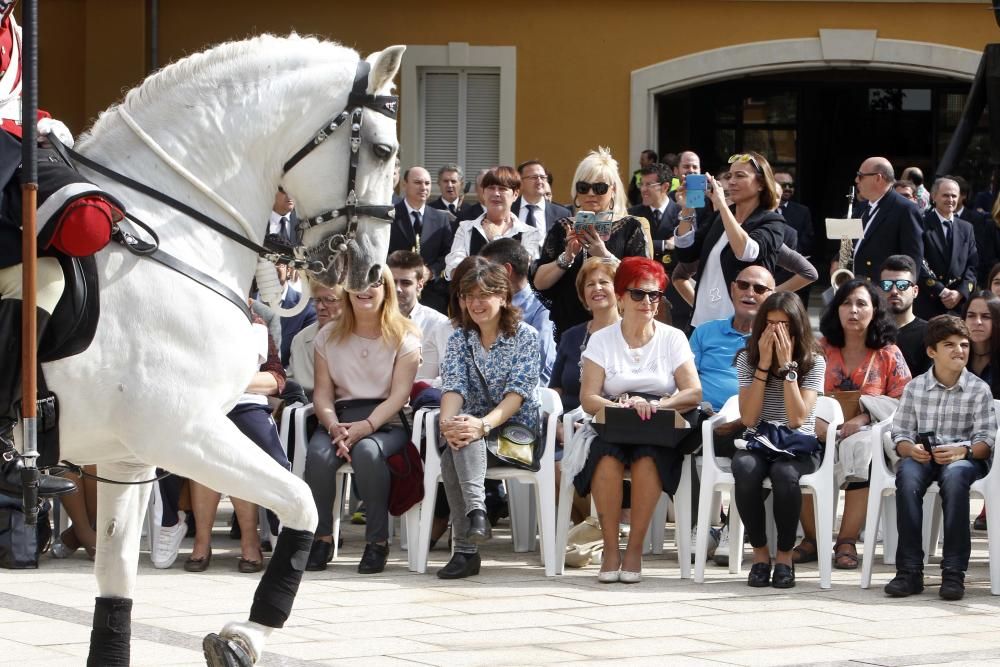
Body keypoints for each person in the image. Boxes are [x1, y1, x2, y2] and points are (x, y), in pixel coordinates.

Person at [0, 6, 123, 498]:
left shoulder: (14, 24)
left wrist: (38, 121)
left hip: (10, 146)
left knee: (48, 276)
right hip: (7, 149)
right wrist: (27, 126)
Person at [575, 257, 702, 583]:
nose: (647, 302)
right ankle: (610, 549)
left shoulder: (673, 338)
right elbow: (588, 398)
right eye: (638, 294)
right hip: (615, 423)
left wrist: (658, 404)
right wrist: (622, 406)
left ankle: (633, 551)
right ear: (620, 297)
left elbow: (693, 392)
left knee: (648, 458)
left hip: (658, 428)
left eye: (654, 295)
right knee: (606, 458)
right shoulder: (602, 339)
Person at [304, 267, 421, 573]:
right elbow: (322, 395)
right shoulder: (328, 335)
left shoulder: (405, 335)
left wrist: (365, 428)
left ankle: (377, 542)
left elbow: (399, 396)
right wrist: (333, 427)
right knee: (317, 456)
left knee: (368, 453)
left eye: (374, 282)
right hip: (339, 419)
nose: (364, 289)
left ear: (386, 289)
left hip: (387, 421)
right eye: (357, 282)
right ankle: (322, 538)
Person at [794, 278, 910, 570]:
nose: (853, 310)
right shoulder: (819, 349)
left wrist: (863, 418)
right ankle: (812, 540)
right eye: (846, 303)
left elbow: (904, 402)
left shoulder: (889, 353)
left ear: (875, 311)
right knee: (799, 452)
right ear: (836, 309)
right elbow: (799, 391)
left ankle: (846, 541)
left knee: (867, 452)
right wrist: (816, 420)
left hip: (867, 435)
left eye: (861, 304)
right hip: (820, 430)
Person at [437, 258, 540, 579]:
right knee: (458, 439)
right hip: (475, 430)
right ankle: (477, 514)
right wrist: (447, 422)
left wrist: (482, 425)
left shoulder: (526, 336)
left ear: (504, 298)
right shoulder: (460, 339)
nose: (475, 303)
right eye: (468, 296)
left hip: (518, 436)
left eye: (484, 295)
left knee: (462, 442)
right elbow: (453, 386)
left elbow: (517, 393)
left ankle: (466, 548)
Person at [886, 315, 996, 601]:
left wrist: (964, 451)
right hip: (923, 458)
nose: (960, 350)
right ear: (931, 351)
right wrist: (911, 449)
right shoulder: (915, 388)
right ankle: (909, 571)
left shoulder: (978, 389)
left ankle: (954, 572)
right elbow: (900, 434)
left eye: (964, 344)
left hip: (965, 460)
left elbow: (986, 442)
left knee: (955, 475)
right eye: (950, 345)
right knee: (907, 475)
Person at [732, 291, 826, 589]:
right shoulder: (748, 358)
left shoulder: (814, 362)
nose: (776, 332)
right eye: (770, 324)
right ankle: (760, 554)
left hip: (797, 446)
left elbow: (798, 418)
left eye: (783, 325)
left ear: (797, 327)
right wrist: (763, 367)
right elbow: (748, 418)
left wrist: (788, 370)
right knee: (744, 469)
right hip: (759, 440)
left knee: (785, 475)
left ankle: (784, 556)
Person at [183, 312, 290, 573]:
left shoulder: (256, 321)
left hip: (246, 404)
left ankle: (250, 540)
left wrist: (228, 384)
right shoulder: (197, 313)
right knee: (203, 453)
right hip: (205, 404)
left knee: (240, 451)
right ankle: (201, 542)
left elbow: (275, 378)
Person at [532, 147, 650, 340]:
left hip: (618, 329)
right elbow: (540, 283)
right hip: (571, 328)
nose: (591, 193)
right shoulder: (562, 227)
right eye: (583, 187)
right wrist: (567, 257)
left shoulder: (630, 227)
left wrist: (604, 255)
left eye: (600, 188)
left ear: (613, 190)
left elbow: (643, 279)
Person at [673, 152, 785, 329]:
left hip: (741, 329)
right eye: (729, 176)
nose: (731, 181)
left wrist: (723, 205)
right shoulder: (718, 219)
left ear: (761, 184)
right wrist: (687, 210)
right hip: (701, 325)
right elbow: (686, 253)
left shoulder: (771, 222)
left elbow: (746, 252)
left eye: (740, 176)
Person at [480, 238, 555, 386]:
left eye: (487, 270)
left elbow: (542, 362)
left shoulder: (541, 307)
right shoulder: (483, 304)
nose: (481, 276)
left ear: (507, 270)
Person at [444, 166, 541, 279]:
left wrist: (496, 238)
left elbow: (523, 272)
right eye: (491, 188)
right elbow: (454, 270)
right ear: (484, 193)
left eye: (502, 188)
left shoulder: (529, 233)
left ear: (515, 194)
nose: (496, 193)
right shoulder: (466, 228)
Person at [850, 157, 924, 282]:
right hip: (858, 286)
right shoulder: (861, 208)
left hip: (885, 290)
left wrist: (904, 289)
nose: (856, 180)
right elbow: (852, 243)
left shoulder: (905, 209)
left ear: (878, 178)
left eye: (860, 176)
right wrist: (837, 261)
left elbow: (913, 257)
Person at [914, 178, 978, 320]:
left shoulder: (967, 228)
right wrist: (941, 291)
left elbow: (972, 266)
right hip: (929, 302)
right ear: (934, 196)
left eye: (954, 196)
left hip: (958, 305)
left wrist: (960, 293)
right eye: (945, 195)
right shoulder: (921, 224)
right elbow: (918, 261)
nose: (950, 199)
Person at [387, 250, 452, 383]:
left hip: (422, 400)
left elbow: (450, 377)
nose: (397, 289)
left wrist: (420, 387)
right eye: (393, 282)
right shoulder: (371, 321)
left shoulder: (439, 324)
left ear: (420, 284)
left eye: (405, 283)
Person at [964, 291, 1000, 532]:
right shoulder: (952, 354)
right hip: (957, 436)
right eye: (971, 315)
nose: (977, 322)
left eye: (985, 316)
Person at [388, 166, 454, 288]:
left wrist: (431, 272)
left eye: (427, 183)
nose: (423, 187)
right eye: (418, 182)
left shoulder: (441, 218)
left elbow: (449, 253)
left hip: (432, 291)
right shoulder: (389, 216)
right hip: (396, 288)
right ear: (404, 184)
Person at [288, 283, 344, 398]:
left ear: (347, 303)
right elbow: (291, 381)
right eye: (317, 300)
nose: (320, 307)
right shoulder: (301, 339)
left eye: (329, 300)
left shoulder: (361, 336)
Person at [880, 255, 931, 377]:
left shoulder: (930, 333)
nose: (894, 291)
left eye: (902, 285)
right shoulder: (869, 330)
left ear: (915, 291)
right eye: (886, 284)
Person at [513, 160, 571, 241]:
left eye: (543, 177)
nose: (539, 181)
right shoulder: (508, 210)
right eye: (534, 177)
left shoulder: (562, 214)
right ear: (520, 182)